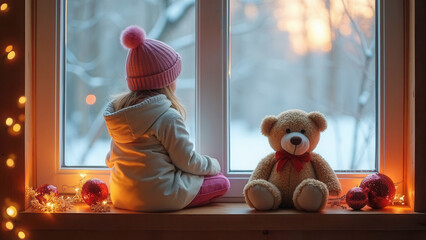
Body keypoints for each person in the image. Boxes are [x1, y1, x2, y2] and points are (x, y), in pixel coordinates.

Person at [103, 26, 230, 212]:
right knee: (222, 182)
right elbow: (187, 162)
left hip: (121, 197)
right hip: (161, 197)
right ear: (167, 82)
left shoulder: (121, 115)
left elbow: (110, 160)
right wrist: (213, 165)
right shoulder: (167, 117)